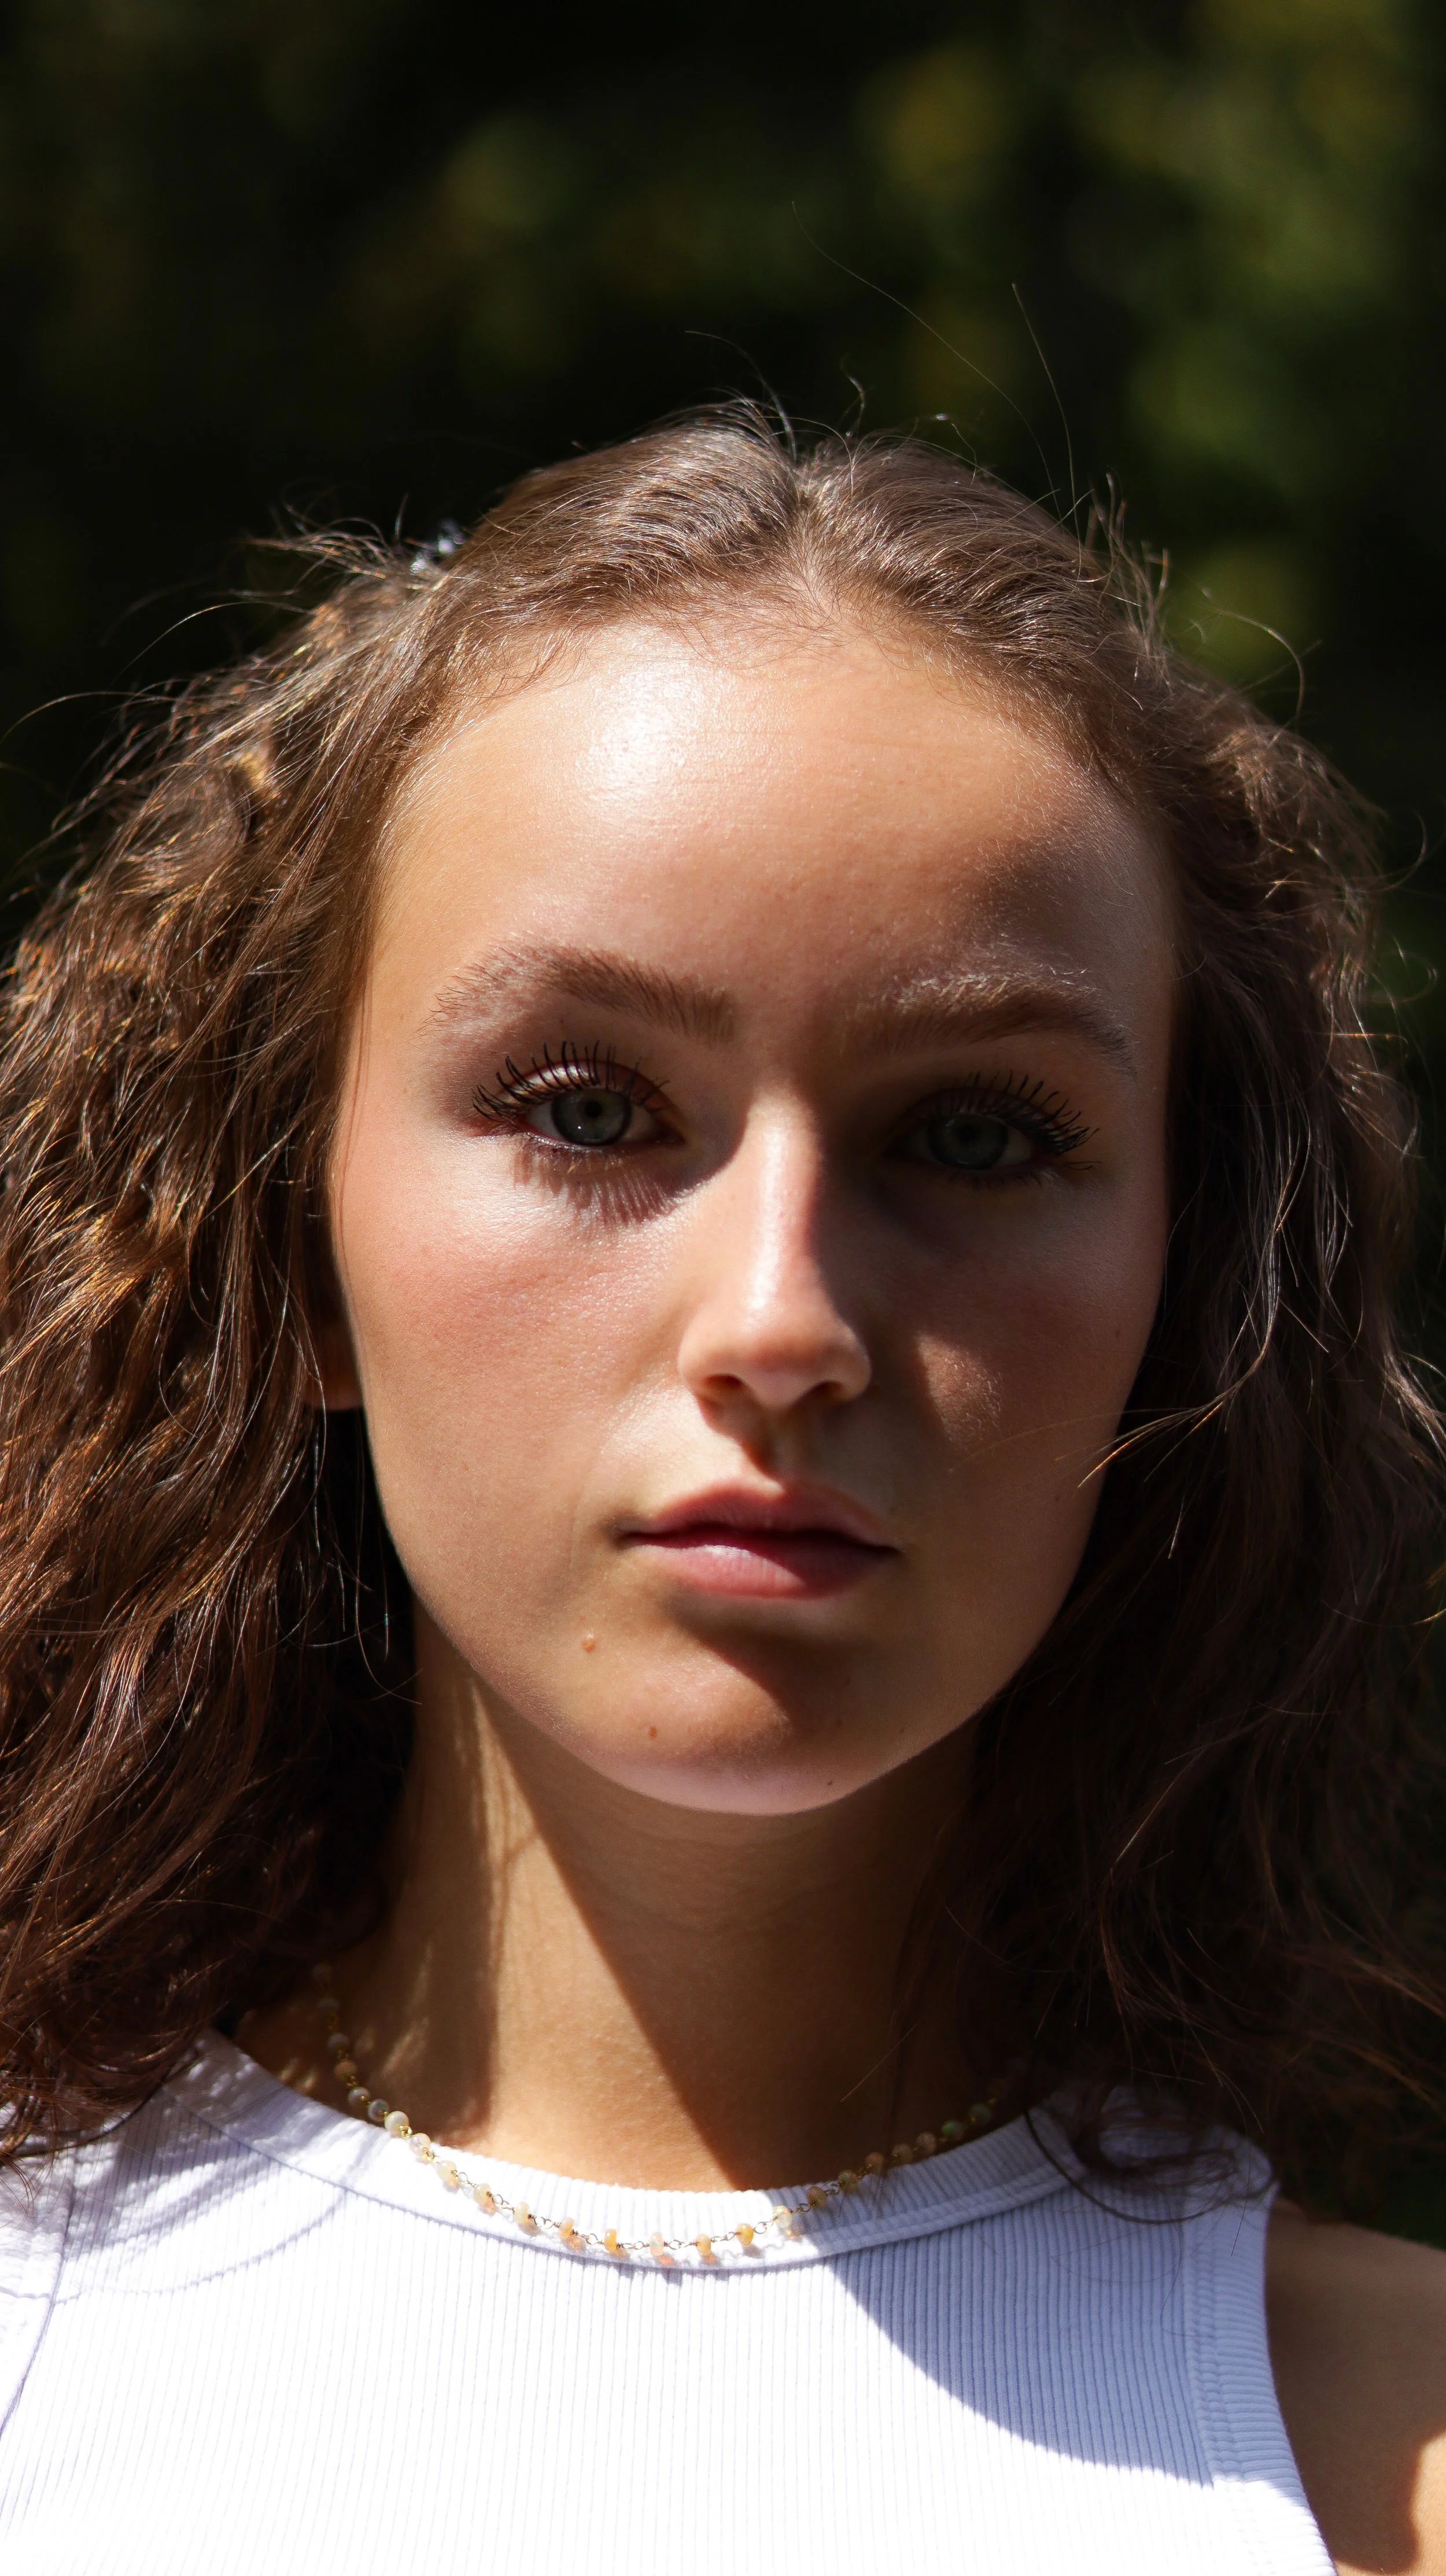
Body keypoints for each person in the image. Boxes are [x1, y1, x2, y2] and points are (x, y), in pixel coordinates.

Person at [1, 414, 1443, 2574]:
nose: (781, 1321)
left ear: (1188, 1284)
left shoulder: (1382, 2458)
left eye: (972, 1136)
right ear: (281, 1249)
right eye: (588, 1108)